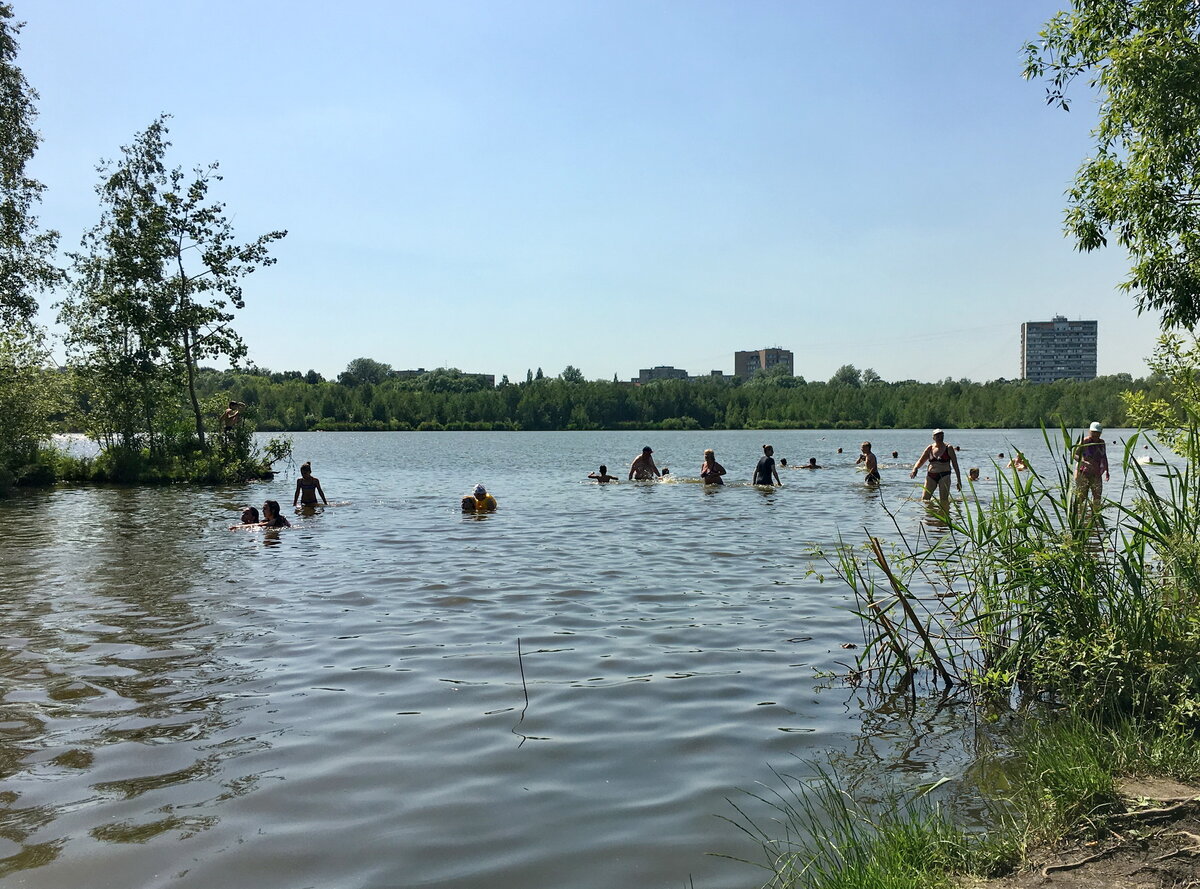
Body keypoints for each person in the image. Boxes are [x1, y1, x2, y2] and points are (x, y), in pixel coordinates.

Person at [910, 429, 961, 506]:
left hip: (944, 475)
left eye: (941, 436)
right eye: (937, 436)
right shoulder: (930, 448)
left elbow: (955, 465)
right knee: (925, 500)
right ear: (933, 437)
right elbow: (920, 461)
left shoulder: (948, 448)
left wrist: (959, 480)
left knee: (943, 501)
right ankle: (929, 517)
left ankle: (943, 515)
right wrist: (915, 469)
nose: (940, 438)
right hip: (931, 476)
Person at [1073, 421, 1110, 510]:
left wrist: (1107, 471)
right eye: (1093, 433)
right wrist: (1084, 462)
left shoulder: (1101, 443)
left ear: (1100, 433)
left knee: (1097, 498)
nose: (1095, 435)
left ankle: (1094, 518)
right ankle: (1077, 514)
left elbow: (1104, 456)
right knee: (1082, 497)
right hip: (1083, 472)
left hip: (1096, 473)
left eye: (1097, 433)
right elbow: (1074, 454)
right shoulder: (1085, 441)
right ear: (1089, 432)